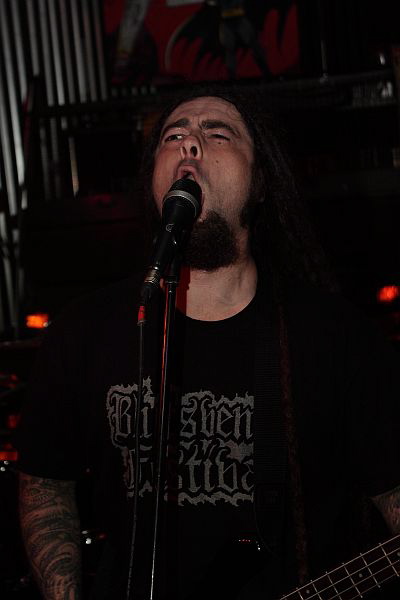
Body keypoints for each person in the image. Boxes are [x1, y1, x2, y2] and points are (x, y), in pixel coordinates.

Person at [17, 86, 400, 600]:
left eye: (217, 134)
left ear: (260, 182)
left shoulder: (336, 338)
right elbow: (46, 481)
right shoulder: (84, 331)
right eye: (172, 136)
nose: (190, 144)